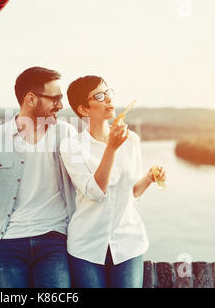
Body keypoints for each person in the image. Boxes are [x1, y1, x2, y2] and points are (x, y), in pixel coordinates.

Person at [0, 67, 77, 288]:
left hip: (55, 240)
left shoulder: (66, 134)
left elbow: (90, 182)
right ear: (30, 98)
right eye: (55, 98)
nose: (60, 105)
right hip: (8, 243)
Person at [60, 75, 166, 288]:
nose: (108, 99)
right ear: (83, 109)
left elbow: (132, 193)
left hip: (128, 241)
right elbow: (94, 192)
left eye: (109, 93)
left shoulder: (132, 141)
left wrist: (148, 178)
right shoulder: (72, 146)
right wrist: (111, 148)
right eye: (99, 96)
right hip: (86, 245)